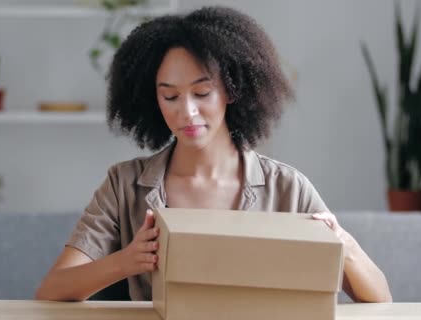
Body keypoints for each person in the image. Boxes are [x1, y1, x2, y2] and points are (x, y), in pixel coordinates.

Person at [36, 6, 392, 303]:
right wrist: (128, 261)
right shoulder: (123, 185)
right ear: (152, 100)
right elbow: (52, 290)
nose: (187, 112)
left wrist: (343, 242)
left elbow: (380, 300)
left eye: (202, 93)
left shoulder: (287, 187)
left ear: (232, 91)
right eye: (170, 97)